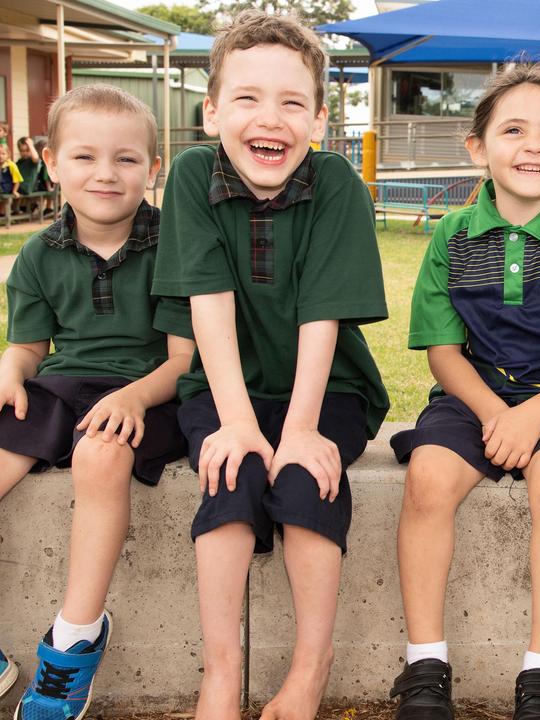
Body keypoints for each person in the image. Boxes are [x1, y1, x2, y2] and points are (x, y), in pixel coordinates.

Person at [0, 83, 193, 720]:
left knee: (101, 458)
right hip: (63, 386)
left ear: (153, 167)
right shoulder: (38, 252)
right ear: (53, 164)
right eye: (84, 157)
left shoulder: (175, 244)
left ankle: (74, 640)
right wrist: (8, 376)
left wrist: (134, 398)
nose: (105, 173)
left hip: (152, 393)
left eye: (126, 158)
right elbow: (29, 347)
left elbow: (184, 358)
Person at [152, 10, 389, 720]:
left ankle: (310, 670)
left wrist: (302, 429)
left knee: (305, 480)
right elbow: (209, 306)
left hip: (328, 386)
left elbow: (324, 315)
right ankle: (221, 674)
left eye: (293, 103)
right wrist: (235, 422)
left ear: (319, 119)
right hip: (225, 384)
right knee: (230, 477)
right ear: (213, 109)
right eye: (249, 98)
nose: (272, 119)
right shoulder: (194, 175)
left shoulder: (337, 183)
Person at [387, 63, 540, 720]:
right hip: (473, 394)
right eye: (513, 130)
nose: (533, 146)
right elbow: (443, 352)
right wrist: (493, 414)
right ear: (478, 147)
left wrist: (535, 416)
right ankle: (425, 666)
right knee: (426, 477)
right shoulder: (453, 237)